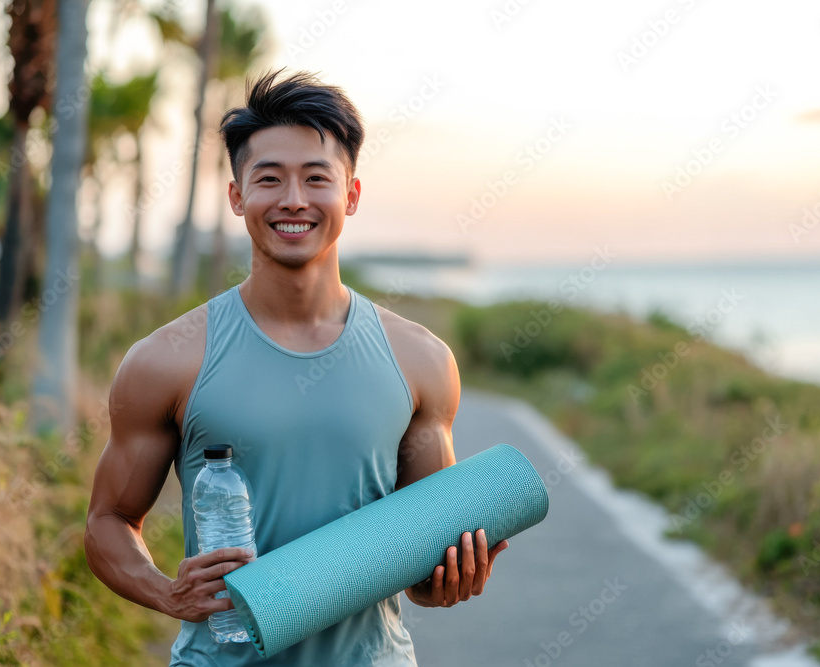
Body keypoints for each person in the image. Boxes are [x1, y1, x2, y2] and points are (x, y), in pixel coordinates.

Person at [83, 69, 509, 666]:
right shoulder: (166, 359)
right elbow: (108, 520)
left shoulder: (421, 360)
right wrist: (167, 593)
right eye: (269, 179)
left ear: (351, 195)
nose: (293, 201)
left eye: (317, 179)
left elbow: (421, 570)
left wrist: (450, 577)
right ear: (237, 196)